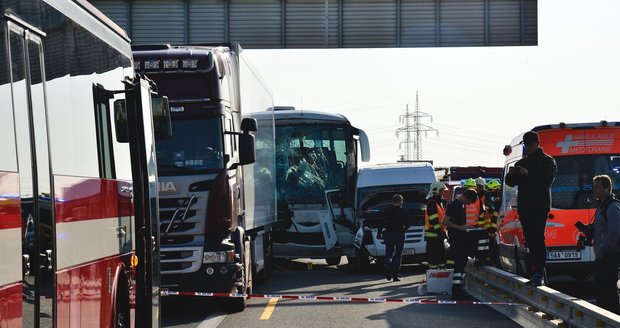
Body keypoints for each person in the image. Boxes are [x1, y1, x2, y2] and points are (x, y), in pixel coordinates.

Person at [505, 130, 557, 286]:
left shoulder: (547, 161)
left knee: (538, 238)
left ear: (537, 143)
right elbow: (510, 182)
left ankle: (540, 272)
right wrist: (513, 173)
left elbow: (547, 179)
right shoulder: (522, 162)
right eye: (525, 145)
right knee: (530, 241)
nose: (527, 147)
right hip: (526, 207)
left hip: (539, 206)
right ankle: (538, 272)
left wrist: (528, 174)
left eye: (529, 144)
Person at [442, 189, 478, 300]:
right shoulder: (454, 205)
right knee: (458, 265)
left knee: (461, 265)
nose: (468, 204)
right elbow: (445, 221)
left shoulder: (461, 205)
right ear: (466, 197)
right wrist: (460, 228)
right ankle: (456, 291)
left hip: (461, 238)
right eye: (469, 202)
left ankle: (458, 289)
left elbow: (460, 221)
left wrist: (467, 227)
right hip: (456, 239)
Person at [592, 175, 620, 314]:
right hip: (602, 256)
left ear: (607, 188)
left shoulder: (612, 206)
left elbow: (614, 232)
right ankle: (602, 320)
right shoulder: (602, 206)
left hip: (610, 255)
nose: (595, 190)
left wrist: (602, 249)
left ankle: (615, 319)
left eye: (598, 187)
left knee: (609, 290)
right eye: (594, 187)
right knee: (600, 290)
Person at [377, 194, 411, 282]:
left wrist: (379, 233)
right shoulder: (403, 211)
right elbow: (408, 223)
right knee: (398, 254)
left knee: (389, 252)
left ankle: (387, 266)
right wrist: (404, 230)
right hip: (399, 234)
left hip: (388, 234)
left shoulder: (387, 210)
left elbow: (381, 223)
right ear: (400, 201)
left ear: (393, 201)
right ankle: (395, 276)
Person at [425, 181, 448, 269]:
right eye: (441, 190)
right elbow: (434, 220)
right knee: (434, 257)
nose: (443, 192)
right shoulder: (432, 203)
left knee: (441, 256)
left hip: (437, 234)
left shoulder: (438, 202)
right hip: (433, 234)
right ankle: (434, 275)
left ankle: (441, 272)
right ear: (436, 190)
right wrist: (439, 232)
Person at [484, 179, 502, 265]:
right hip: (492, 226)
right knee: (492, 243)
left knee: (492, 243)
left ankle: (493, 260)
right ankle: (493, 260)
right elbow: (493, 212)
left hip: (493, 226)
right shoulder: (490, 196)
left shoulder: (492, 197)